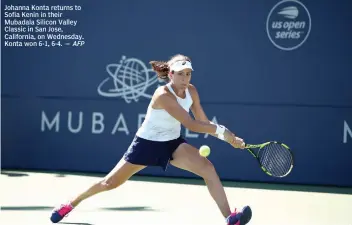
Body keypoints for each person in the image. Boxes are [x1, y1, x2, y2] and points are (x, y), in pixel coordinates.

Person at [50, 54, 252, 225]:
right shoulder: (163, 95)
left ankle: (230, 218)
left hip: (172, 143)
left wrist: (228, 137)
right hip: (146, 144)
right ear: (170, 74)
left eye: (188, 74)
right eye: (180, 74)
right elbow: (191, 124)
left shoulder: (191, 91)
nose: (185, 78)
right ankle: (71, 203)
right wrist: (225, 133)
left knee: (208, 168)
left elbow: (202, 120)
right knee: (110, 182)